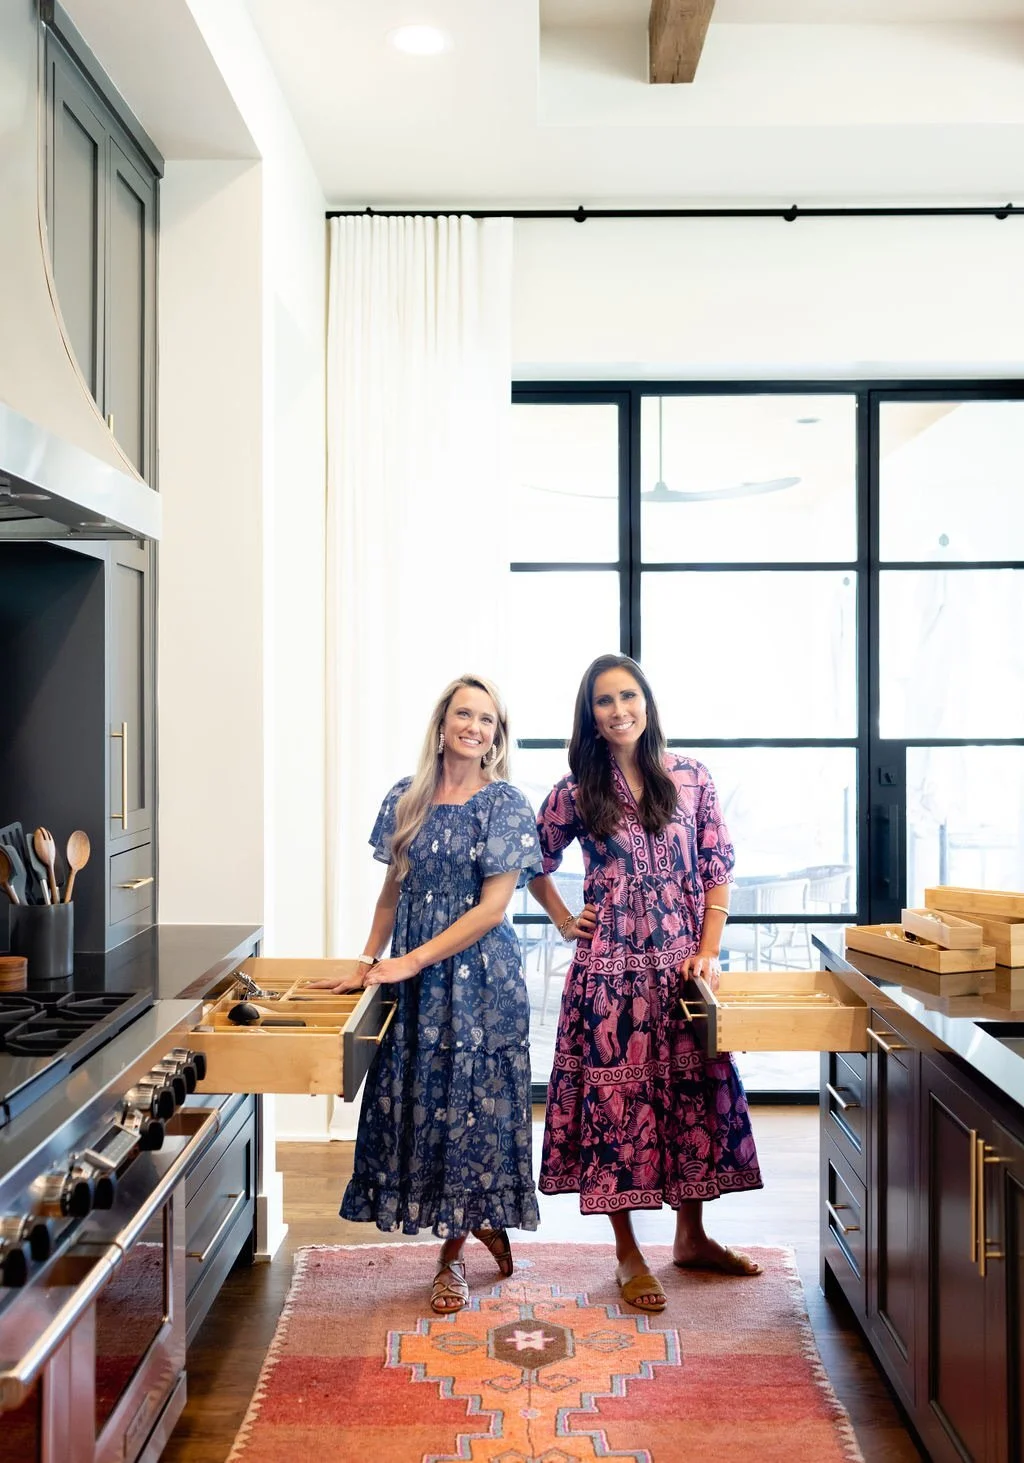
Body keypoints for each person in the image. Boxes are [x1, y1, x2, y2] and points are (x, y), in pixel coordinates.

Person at [528, 653, 762, 1313]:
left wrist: (709, 950)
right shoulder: (576, 790)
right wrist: (565, 917)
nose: (619, 709)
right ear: (590, 715)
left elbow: (717, 867)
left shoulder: (691, 776)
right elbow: (530, 860)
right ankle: (628, 1252)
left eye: (628, 696)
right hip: (609, 977)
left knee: (693, 1097)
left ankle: (692, 1237)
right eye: (604, 701)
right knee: (617, 1106)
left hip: (681, 970)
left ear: (647, 702)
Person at [309, 674, 542, 1314]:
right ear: (442, 724)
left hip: (481, 981)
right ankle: (475, 1218)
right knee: (425, 1103)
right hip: (416, 979)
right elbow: (393, 893)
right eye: (465, 714)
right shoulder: (405, 797)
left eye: (488, 720)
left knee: (468, 1108)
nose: (475, 727)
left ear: (497, 735)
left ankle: (451, 1257)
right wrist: (367, 963)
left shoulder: (505, 804)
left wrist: (408, 961)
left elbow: (492, 909)